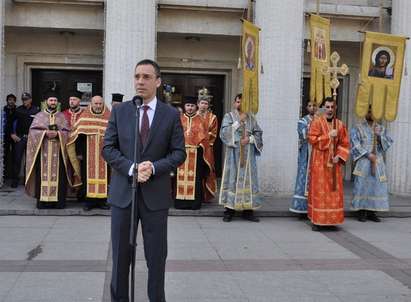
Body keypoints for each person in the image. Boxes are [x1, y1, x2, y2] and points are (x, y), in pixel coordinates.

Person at [102, 59, 186, 302]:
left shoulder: (170, 115)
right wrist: (132, 168)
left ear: (158, 82)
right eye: (137, 76)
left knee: (156, 259)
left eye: (147, 77)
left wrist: (153, 167)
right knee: (120, 259)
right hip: (123, 196)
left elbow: (179, 153)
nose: (140, 81)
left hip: (155, 198)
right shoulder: (120, 111)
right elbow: (108, 148)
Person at [25, 92, 80, 209]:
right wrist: (45, 133)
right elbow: (33, 132)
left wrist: (58, 134)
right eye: (51, 100)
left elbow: (68, 132)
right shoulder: (39, 116)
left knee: (59, 176)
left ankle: (58, 202)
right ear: (46, 102)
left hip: (58, 152)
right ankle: (43, 202)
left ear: (57, 103)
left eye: (55, 101)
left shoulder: (62, 117)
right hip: (43, 152)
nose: (53, 103)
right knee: (42, 176)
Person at [219, 93, 263, 222]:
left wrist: (249, 139)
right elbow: (224, 133)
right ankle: (229, 210)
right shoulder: (229, 116)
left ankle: (248, 210)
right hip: (234, 155)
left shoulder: (252, 118)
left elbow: (259, 133)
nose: (240, 104)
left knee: (249, 181)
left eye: (242, 102)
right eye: (238, 102)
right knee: (233, 179)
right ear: (234, 103)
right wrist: (238, 122)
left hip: (248, 155)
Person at [307, 97, 349, 231]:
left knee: (333, 192)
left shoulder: (340, 124)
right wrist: (328, 136)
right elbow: (312, 139)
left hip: (334, 164)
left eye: (332, 107)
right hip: (319, 163)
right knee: (320, 192)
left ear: (335, 108)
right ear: (323, 107)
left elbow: (345, 143)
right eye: (327, 107)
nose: (330, 109)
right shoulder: (317, 122)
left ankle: (332, 220)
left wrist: (339, 155)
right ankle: (317, 220)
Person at [67, 95, 111, 211]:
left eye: (100, 104)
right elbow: (78, 137)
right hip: (87, 155)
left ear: (103, 104)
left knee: (105, 177)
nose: (98, 106)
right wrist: (79, 153)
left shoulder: (109, 117)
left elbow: (114, 136)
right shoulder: (84, 117)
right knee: (87, 177)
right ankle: (89, 202)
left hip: (104, 154)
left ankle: (102, 201)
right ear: (91, 104)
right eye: (95, 103)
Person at [350, 106, 393, 222]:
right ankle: (361, 211)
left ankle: (372, 211)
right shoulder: (357, 128)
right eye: (368, 111)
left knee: (376, 185)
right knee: (362, 185)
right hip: (364, 161)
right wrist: (368, 155)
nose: (370, 113)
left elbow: (388, 143)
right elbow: (354, 145)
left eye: (372, 111)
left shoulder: (381, 128)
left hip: (377, 162)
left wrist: (379, 136)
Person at [174, 96, 215, 210]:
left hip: (196, 154)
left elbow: (205, 138)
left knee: (195, 178)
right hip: (181, 153)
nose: (190, 108)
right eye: (188, 105)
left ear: (195, 106)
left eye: (192, 106)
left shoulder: (201, 120)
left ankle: (194, 204)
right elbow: (175, 135)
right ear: (184, 106)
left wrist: (200, 147)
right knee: (179, 178)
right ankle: (180, 203)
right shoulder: (179, 119)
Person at [290, 101, 318, 217]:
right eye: (310, 105)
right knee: (303, 177)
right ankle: (302, 208)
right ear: (307, 107)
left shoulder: (321, 120)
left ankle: (314, 207)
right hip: (306, 154)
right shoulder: (302, 121)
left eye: (314, 106)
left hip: (317, 153)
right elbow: (304, 134)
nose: (312, 108)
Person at [10, 92, 40, 188]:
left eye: (26, 99)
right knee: (17, 159)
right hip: (20, 138)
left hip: (32, 138)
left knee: (29, 160)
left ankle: (27, 180)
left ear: (30, 100)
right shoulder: (18, 110)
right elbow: (11, 122)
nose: (25, 101)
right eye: (23, 100)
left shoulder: (36, 110)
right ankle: (15, 180)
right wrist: (12, 133)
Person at [197, 88, 218, 201]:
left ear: (208, 105)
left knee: (206, 171)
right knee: (196, 172)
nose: (204, 105)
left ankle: (206, 195)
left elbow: (213, 134)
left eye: (206, 103)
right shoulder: (193, 116)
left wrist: (202, 139)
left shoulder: (213, 117)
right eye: (202, 103)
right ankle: (197, 195)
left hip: (207, 149)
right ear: (198, 104)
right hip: (194, 149)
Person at [3, 94, 17, 180]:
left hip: (15, 135)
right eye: (9, 99)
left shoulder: (18, 110)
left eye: (12, 100)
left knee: (15, 156)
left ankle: (14, 176)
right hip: (6, 136)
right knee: (5, 155)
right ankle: (4, 175)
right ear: (7, 101)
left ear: (15, 101)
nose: (11, 101)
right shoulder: (3, 110)